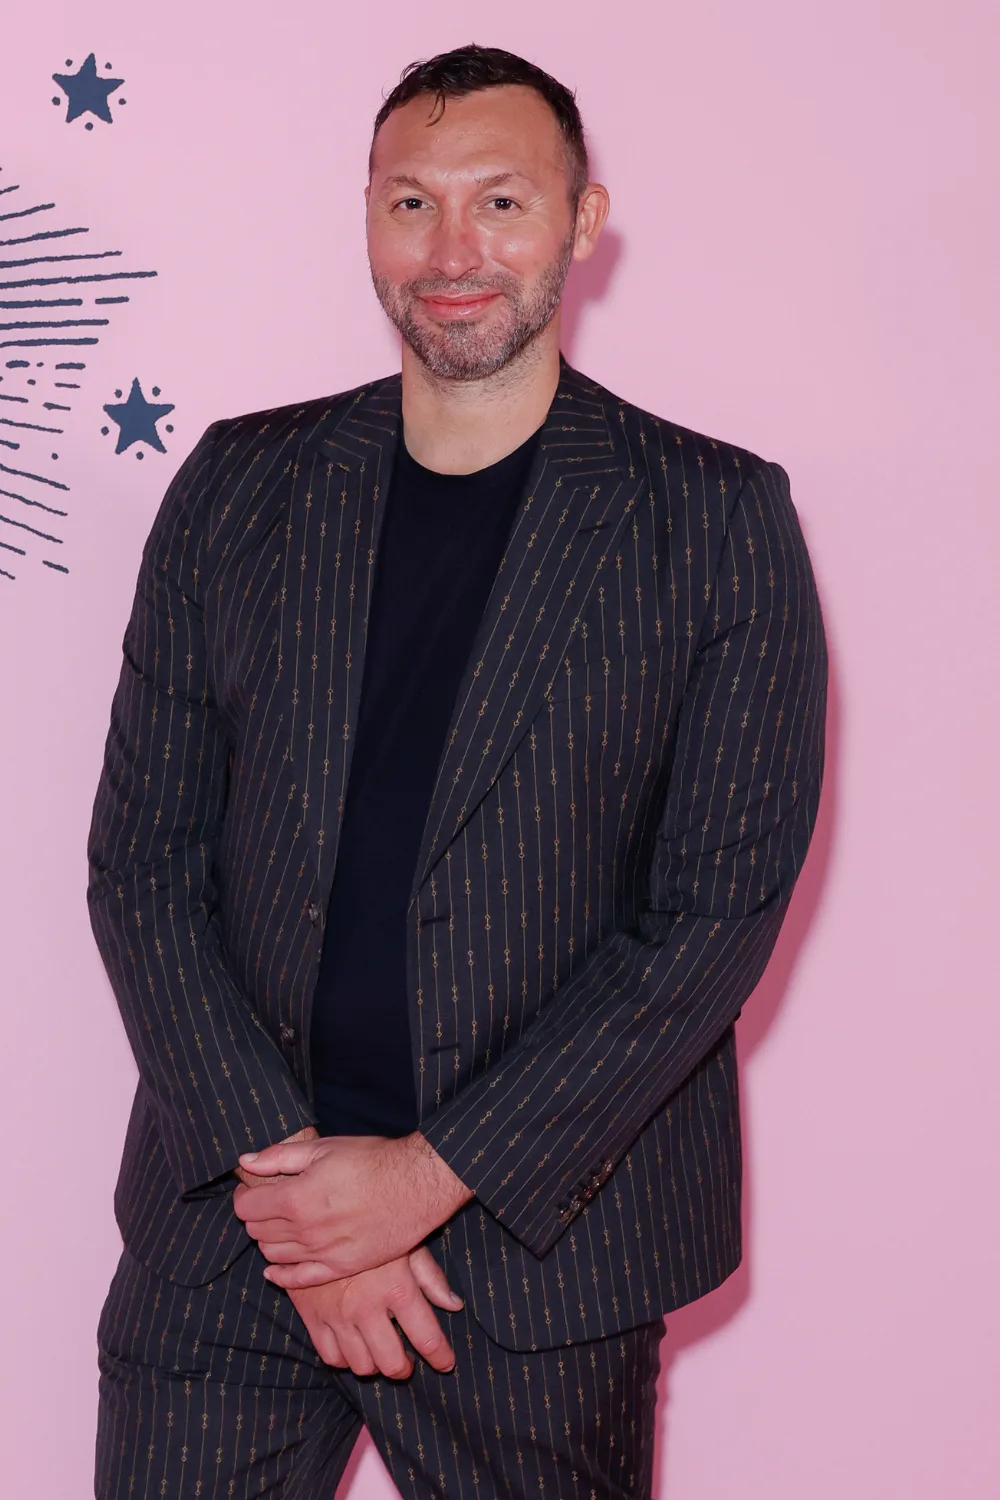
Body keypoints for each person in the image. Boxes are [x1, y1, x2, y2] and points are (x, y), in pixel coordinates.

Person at [88, 43, 827, 1500]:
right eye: (409, 203)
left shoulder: (719, 520)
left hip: (543, 1256)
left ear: (582, 218)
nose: (453, 252)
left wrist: (419, 1184)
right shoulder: (238, 485)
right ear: (364, 219)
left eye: (501, 201)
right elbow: (145, 865)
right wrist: (296, 1198)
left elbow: (710, 920)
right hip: (233, 1236)